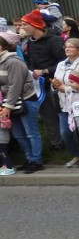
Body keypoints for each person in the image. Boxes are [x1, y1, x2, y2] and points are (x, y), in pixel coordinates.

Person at [19, 9, 65, 152]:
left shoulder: (53, 40)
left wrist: (45, 71)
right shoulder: (30, 42)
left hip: (54, 82)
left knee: (60, 113)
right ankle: (56, 144)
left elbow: (63, 62)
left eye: (24, 24)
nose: (22, 28)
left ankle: (70, 142)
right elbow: (33, 61)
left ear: (34, 25)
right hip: (38, 84)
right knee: (47, 114)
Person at [0, 32, 43, 173]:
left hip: (26, 100)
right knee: (18, 134)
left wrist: (7, 107)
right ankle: (29, 159)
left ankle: (36, 161)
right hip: (11, 102)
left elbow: (15, 86)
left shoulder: (13, 62)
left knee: (31, 133)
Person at [51, 38, 79, 167]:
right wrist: (55, 84)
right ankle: (77, 155)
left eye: (71, 47)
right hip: (64, 103)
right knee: (65, 133)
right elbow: (57, 80)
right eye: (66, 46)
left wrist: (64, 88)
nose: (67, 49)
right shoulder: (61, 64)